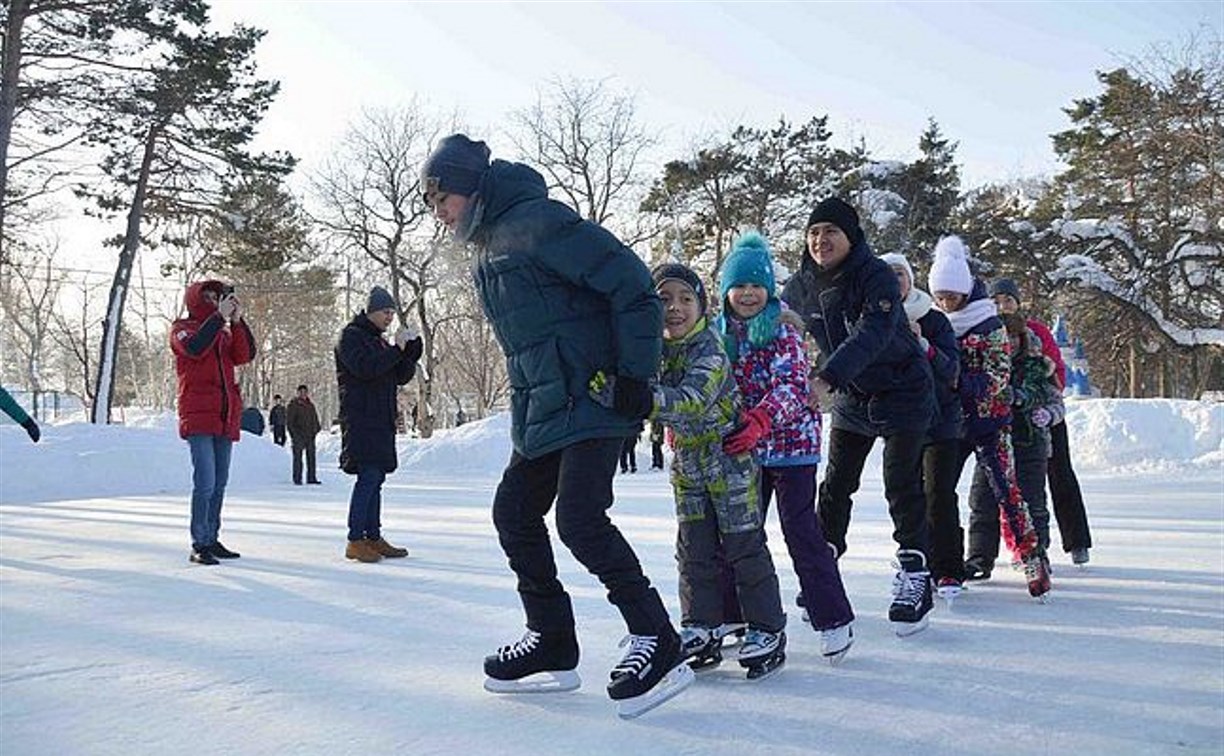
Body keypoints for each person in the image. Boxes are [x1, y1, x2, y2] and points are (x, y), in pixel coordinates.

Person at [422, 133, 691, 717]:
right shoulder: (489, 244)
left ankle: (657, 637)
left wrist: (633, 375)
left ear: (470, 189)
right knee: (514, 512)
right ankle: (552, 638)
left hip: (595, 395)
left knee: (579, 519)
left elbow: (632, 285)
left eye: (441, 199)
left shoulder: (537, 222)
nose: (438, 213)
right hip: (544, 404)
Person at [606, 262, 786, 679]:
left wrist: (636, 397)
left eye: (686, 299)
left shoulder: (709, 347)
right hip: (687, 465)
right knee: (694, 549)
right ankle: (701, 625)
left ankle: (768, 628)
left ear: (702, 306)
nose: (675, 308)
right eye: (665, 299)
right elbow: (634, 377)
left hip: (730, 462)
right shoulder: (654, 349)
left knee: (744, 547)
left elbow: (689, 400)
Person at [780, 197, 935, 636]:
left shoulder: (876, 277)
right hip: (852, 394)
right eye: (813, 232)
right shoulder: (803, 283)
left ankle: (915, 574)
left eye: (830, 231)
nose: (820, 240)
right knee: (835, 485)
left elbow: (874, 332)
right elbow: (770, 315)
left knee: (901, 483)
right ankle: (822, 575)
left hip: (902, 390)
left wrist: (826, 377)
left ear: (851, 237)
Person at [717, 232, 854, 663]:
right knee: (740, 534)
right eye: (739, 286)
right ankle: (735, 614)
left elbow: (794, 386)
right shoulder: (720, 335)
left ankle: (833, 617)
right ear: (726, 292)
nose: (748, 294)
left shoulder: (782, 329)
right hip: (748, 451)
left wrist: (761, 419)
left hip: (792, 447)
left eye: (756, 286)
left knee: (800, 531)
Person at [927, 237, 1050, 599]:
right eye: (940, 296)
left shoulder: (989, 323)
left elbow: (997, 379)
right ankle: (943, 561)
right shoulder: (935, 322)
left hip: (989, 421)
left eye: (952, 296)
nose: (947, 303)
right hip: (949, 424)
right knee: (937, 492)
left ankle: (1031, 555)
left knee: (1006, 491)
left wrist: (955, 379)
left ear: (965, 290)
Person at [880, 252, 966, 602]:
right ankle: (918, 563)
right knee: (907, 492)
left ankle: (949, 567)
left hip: (941, 419)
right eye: (887, 274)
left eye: (900, 273)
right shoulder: (876, 318)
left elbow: (952, 371)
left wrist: (925, 346)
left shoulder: (933, 318)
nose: (895, 280)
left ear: (911, 280)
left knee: (940, 493)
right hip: (901, 420)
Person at [991, 278, 1093, 566]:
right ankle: (1011, 547)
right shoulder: (987, 331)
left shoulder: (1035, 330)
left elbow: (1055, 369)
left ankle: (1077, 541)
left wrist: (1044, 403)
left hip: (1042, 412)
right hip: (1007, 415)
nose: (1003, 306)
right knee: (1003, 483)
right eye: (997, 301)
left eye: (1008, 300)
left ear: (1018, 302)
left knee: (1060, 473)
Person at [966, 314, 1063, 574]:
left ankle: (1036, 554)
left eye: (1012, 336)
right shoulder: (987, 363)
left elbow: (1051, 397)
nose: (1008, 342)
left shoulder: (1037, 366)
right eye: (1003, 336)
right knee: (982, 501)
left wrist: (1031, 404)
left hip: (1029, 441)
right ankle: (979, 559)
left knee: (1032, 502)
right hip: (992, 439)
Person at [170, 280, 255, 566]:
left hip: (224, 416)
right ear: (194, 299)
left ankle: (212, 537)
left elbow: (245, 356)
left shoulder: (223, 334)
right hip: (198, 416)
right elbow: (194, 348)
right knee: (204, 482)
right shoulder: (182, 328)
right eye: (206, 295)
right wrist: (218, 318)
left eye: (216, 296)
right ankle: (199, 542)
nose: (212, 299)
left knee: (219, 483)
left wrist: (238, 322)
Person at [335, 286, 422, 563]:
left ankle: (372, 536)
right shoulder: (351, 337)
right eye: (385, 312)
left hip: (381, 418)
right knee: (368, 477)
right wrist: (396, 349)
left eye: (392, 312)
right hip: (361, 418)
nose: (389, 317)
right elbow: (366, 368)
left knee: (377, 478)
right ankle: (355, 539)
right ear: (371, 311)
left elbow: (397, 376)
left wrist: (409, 354)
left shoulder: (379, 341)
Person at [287, 384, 322, 485]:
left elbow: (315, 419)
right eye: (301, 392)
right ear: (298, 393)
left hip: (310, 436)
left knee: (311, 458)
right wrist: (294, 435)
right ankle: (297, 479)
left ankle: (311, 478)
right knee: (298, 459)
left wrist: (315, 430)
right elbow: (290, 422)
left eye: (305, 392)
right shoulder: (293, 404)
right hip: (298, 436)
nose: (303, 394)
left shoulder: (310, 405)